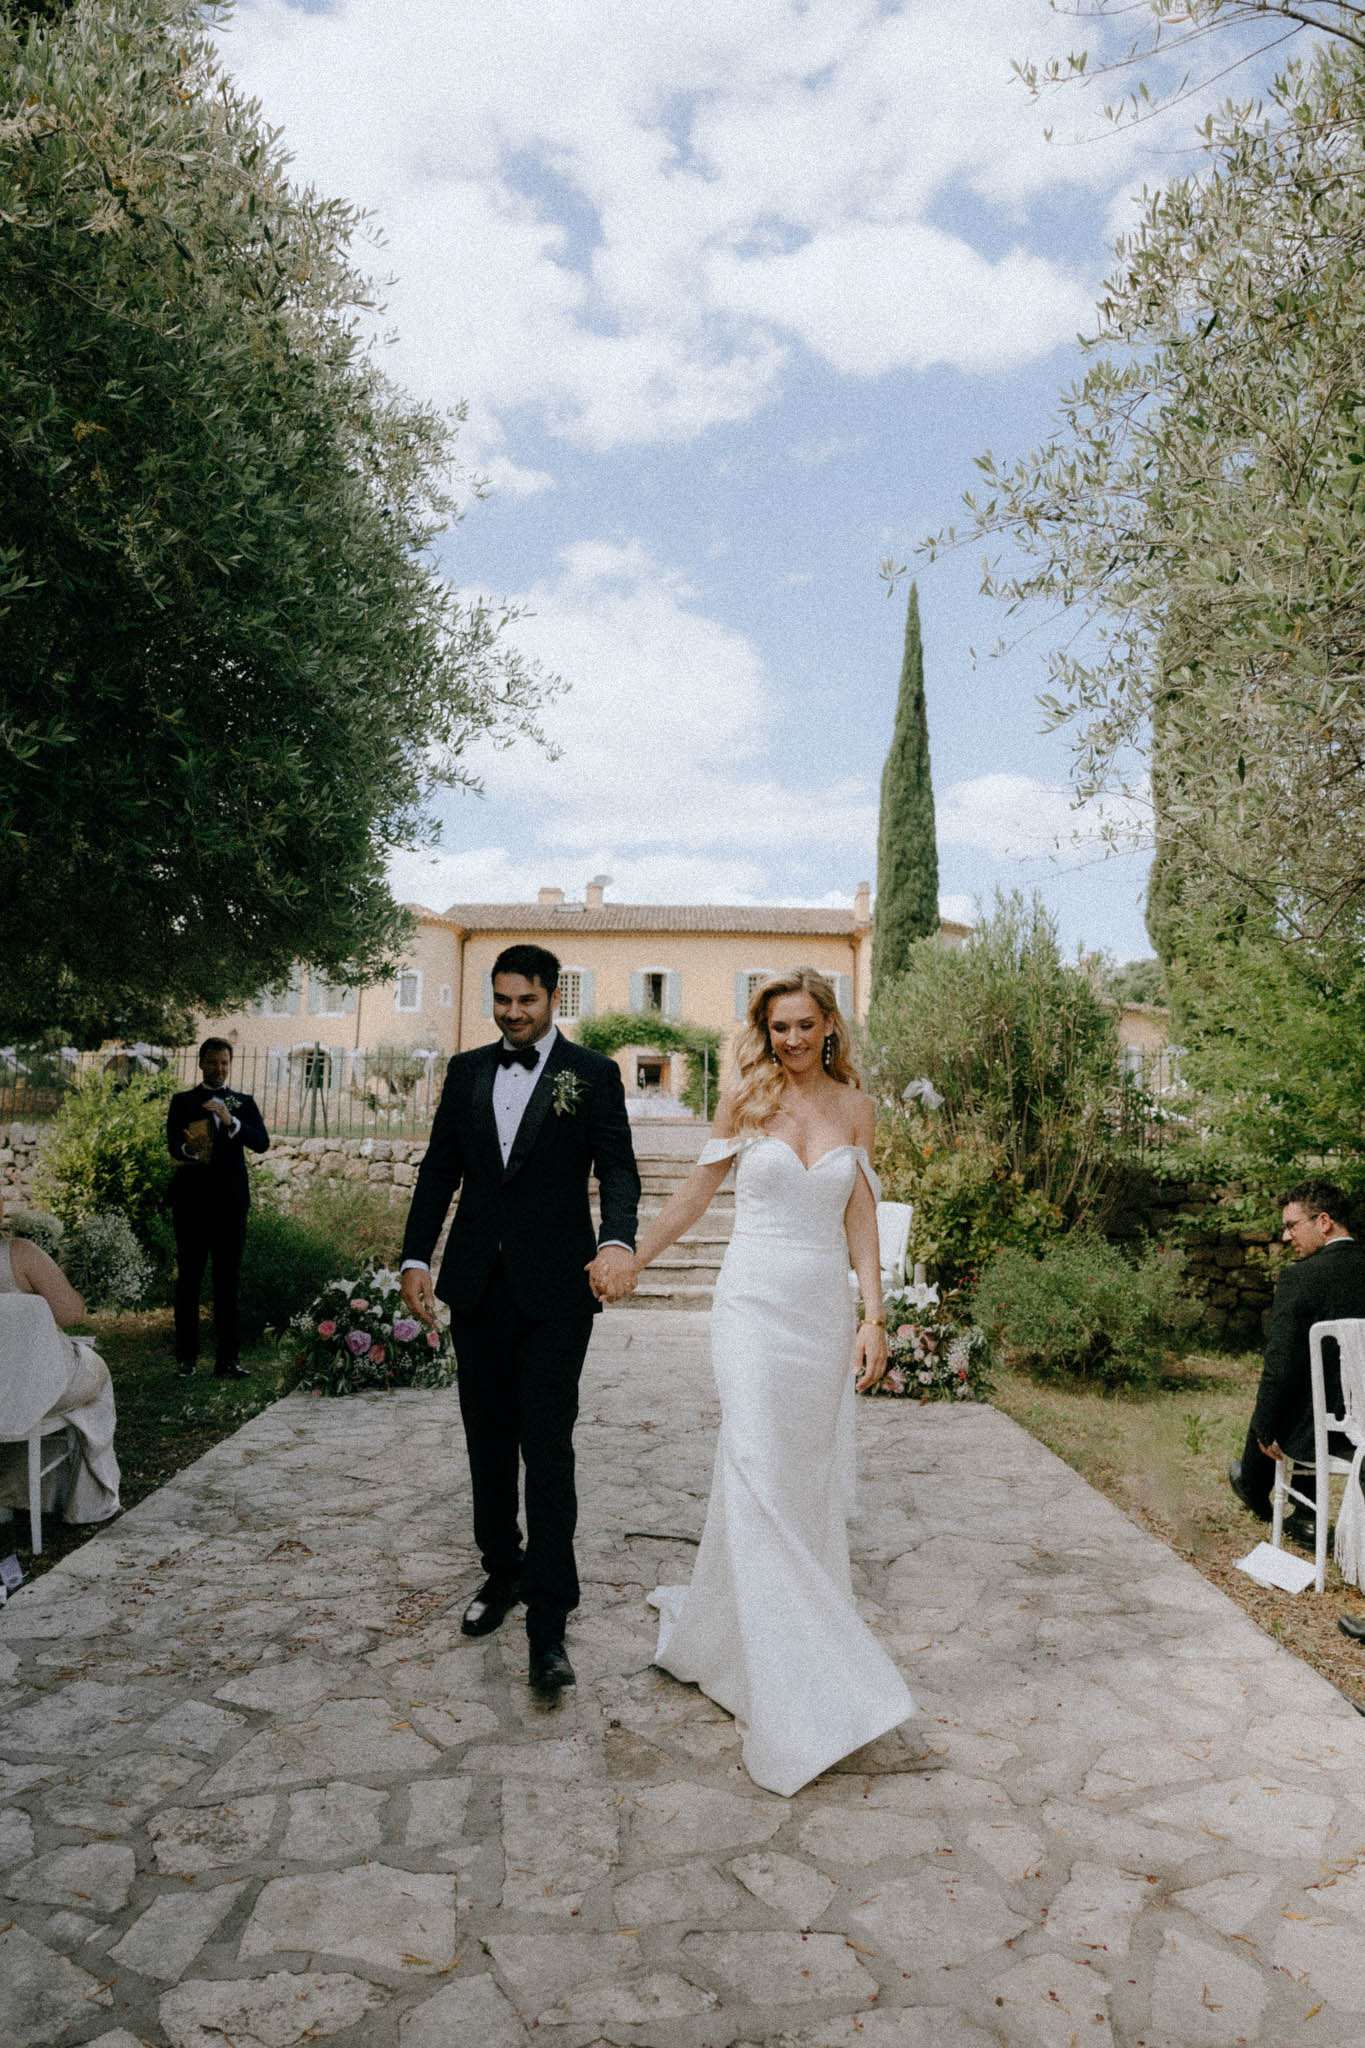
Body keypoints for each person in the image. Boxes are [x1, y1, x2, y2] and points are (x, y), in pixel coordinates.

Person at [630, 967, 916, 1796]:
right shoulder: (745, 1101)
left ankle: (741, 1634)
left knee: (795, 1481)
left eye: (803, 1025)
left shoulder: (857, 1109)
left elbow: (859, 1218)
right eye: (777, 1028)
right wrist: (633, 1259)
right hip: (750, 1309)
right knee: (755, 1467)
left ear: (829, 1024)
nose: (789, 1041)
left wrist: (872, 1317)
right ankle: (789, 1677)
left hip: (818, 1316)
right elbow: (692, 1196)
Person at [399, 943, 641, 1697]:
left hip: (557, 1294)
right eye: (500, 1001)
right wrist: (414, 1257)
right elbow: (441, 1167)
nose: (511, 1014)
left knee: (548, 1444)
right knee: (487, 1441)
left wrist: (616, 1241)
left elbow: (618, 1170)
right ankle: (499, 1574)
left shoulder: (592, 1076)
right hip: (476, 1287)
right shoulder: (468, 1070)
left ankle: (549, 1618)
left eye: (524, 1002)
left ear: (552, 998)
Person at [1228, 1177, 1365, 1555]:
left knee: (1283, 1389)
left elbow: (1280, 1364)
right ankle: (1300, 1513)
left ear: (1324, 1222)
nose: (1287, 1237)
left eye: (1292, 1226)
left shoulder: (1300, 1277)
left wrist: (1265, 1427)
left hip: (1320, 1434)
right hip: (1363, 1430)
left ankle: (1256, 1485)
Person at [0, 1198, 120, 1525]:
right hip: (35, 1392)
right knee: (94, 1375)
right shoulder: (19, 1253)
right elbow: (71, 1313)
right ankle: (84, 1500)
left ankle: (13, 1493)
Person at [166, 1037, 269, 1380]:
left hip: (230, 1205)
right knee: (189, 1281)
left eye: (224, 1063)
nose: (219, 1068)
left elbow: (262, 1143)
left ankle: (228, 1360)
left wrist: (230, 1120)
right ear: (201, 1063)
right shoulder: (183, 1101)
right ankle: (187, 1359)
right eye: (212, 1062)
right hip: (192, 1204)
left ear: (230, 1064)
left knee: (228, 1282)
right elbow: (172, 1145)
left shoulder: (243, 1102)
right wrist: (190, 1149)